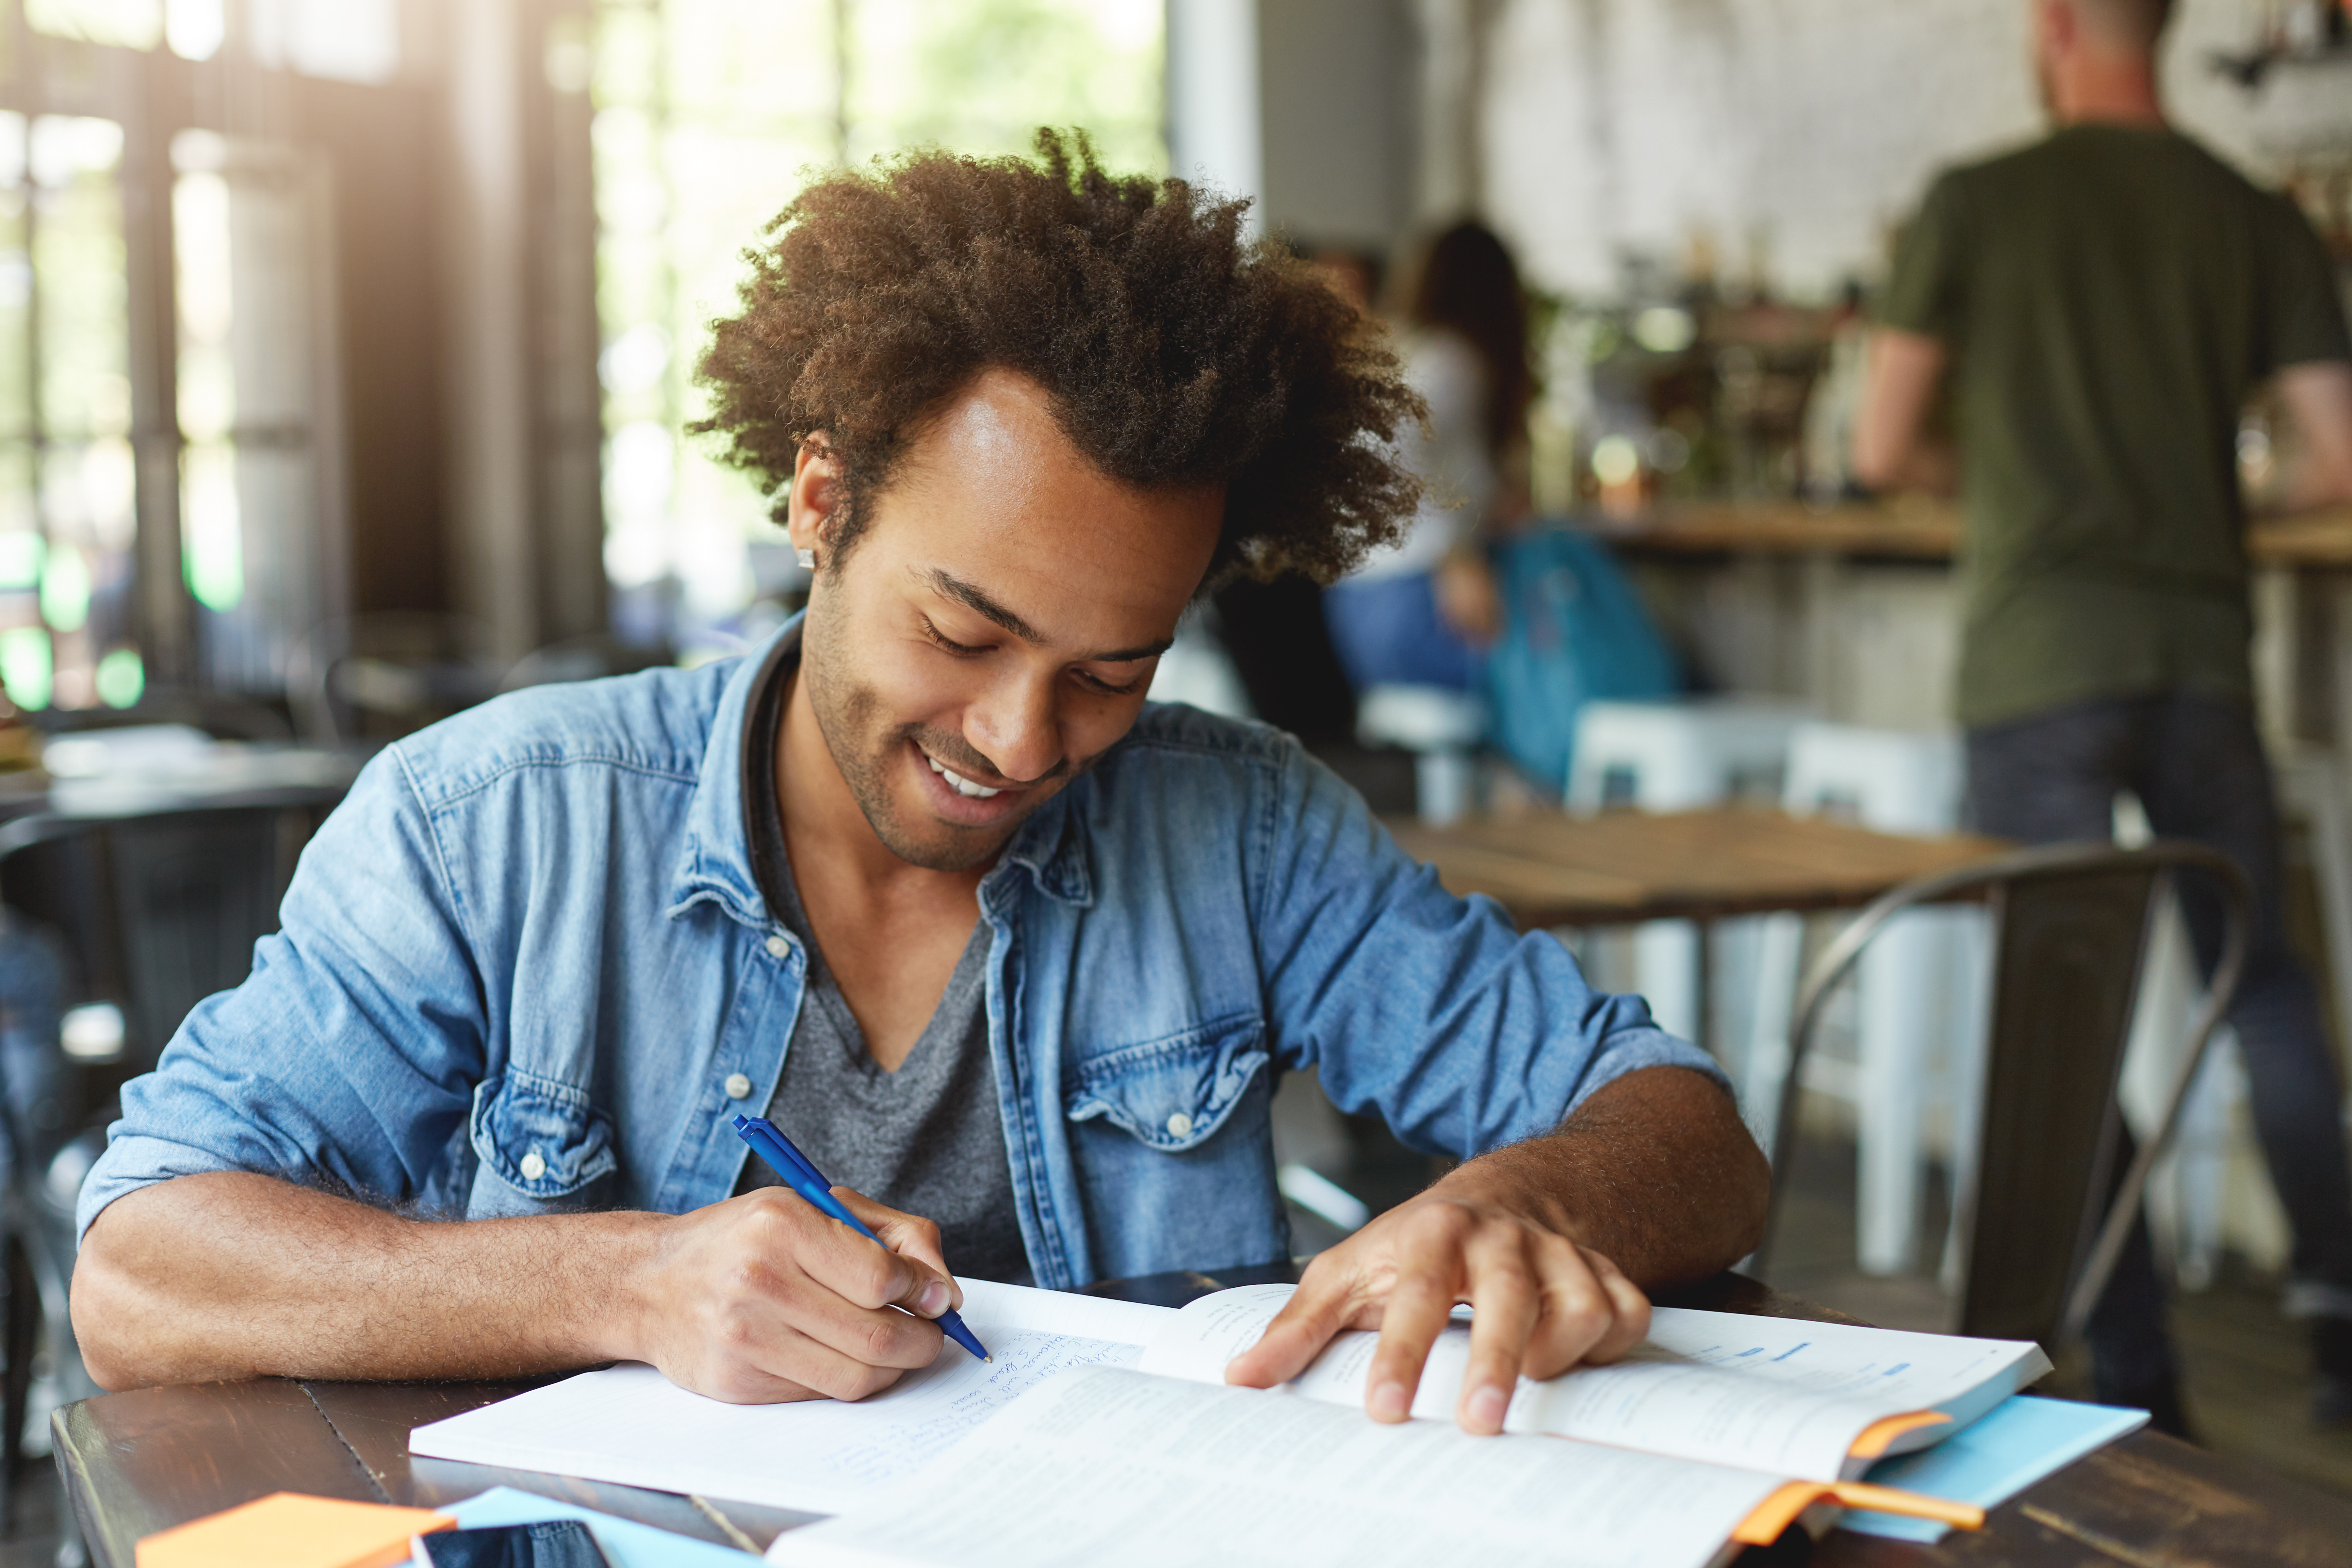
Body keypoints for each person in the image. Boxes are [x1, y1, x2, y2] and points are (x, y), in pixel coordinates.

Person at [68, 135, 1769, 1432]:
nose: (1024, 741)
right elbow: (141, 1269)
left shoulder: (1246, 830)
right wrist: (629, 1278)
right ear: (820, 507)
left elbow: (1692, 1133)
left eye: (1114, 670)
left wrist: (1511, 1204)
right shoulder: (494, 826)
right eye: (965, 629)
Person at [1854, 0, 2352, 1430]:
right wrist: (2216, 496)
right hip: (2200, 652)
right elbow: (2337, 456)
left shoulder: (1977, 202)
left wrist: (2006, 484)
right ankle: (2337, 1323)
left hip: (2036, 666)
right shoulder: (2251, 213)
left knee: (2063, 1019)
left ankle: (2142, 1379)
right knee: (2259, 986)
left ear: (2058, 23)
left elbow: (1883, 445)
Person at [1321, 220, 1531, 696]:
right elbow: (1386, 446)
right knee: (1576, 654)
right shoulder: (1453, 359)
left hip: (1360, 609)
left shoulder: (1410, 352)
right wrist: (1452, 554)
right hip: (1415, 605)